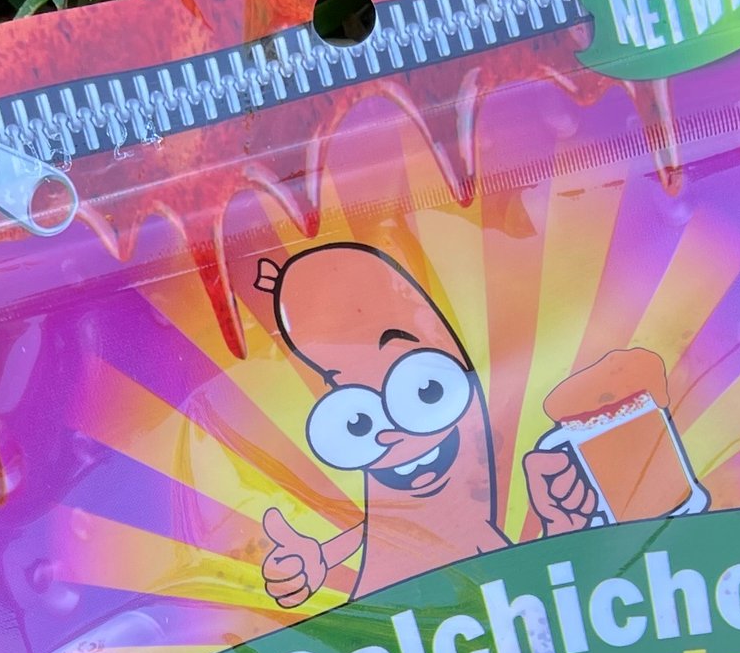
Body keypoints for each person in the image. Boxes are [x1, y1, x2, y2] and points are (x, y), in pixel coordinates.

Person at [254, 242, 603, 606]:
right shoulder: (392, 530)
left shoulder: (487, 504)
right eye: (356, 422)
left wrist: (563, 531)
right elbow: (386, 527)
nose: (392, 434)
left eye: (425, 390)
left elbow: (543, 611)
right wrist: (318, 561)